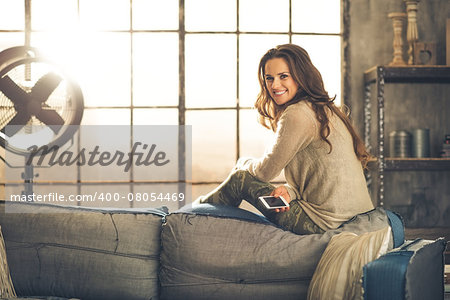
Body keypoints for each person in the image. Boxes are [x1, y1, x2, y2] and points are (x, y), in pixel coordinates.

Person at [193, 44, 374, 235]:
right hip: (355, 219)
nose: (274, 85)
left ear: (301, 75)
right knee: (247, 176)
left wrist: (243, 163)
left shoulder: (298, 113)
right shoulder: (325, 110)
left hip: (326, 225)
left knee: (240, 178)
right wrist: (290, 192)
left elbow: (264, 173)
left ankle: (193, 217)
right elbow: (323, 181)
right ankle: (198, 211)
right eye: (269, 78)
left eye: (283, 76)